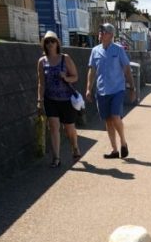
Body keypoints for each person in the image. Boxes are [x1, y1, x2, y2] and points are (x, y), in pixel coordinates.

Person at [86, 23, 136, 160]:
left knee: (115, 116)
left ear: (111, 35)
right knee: (108, 121)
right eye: (100, 31)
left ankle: (123, 142)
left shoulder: (118, 50)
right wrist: (88, 89)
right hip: (101, 90)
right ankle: (114, 150)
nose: (100, 33)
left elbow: (126, 69)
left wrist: (132, 88)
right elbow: (92, 70)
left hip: (117, 90)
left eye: (104, 31)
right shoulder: (95, 51)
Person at [36, 31, 81, 167]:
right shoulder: (42, 61)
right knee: (54, 127)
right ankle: (56, 158)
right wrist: (40, 101)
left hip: (66, 99)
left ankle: (74, 146)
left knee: (69, 129)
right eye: (47, 41)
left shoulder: (65, 58)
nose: (50, 44)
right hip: (50, 99)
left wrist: (66, 77)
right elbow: (41, 82)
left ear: (57, 43)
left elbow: (75, 76)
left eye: (52, 41)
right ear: (44, 44)